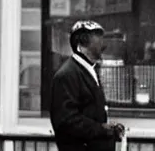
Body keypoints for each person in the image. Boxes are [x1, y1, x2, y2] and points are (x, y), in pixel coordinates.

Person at [50, 20, 125, 151]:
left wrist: (109, 129)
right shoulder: (66, 75)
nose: (103, 44)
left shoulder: (87, 70)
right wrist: (102, 129)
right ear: (82, 41)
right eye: (98, 38)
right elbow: (66, 121)